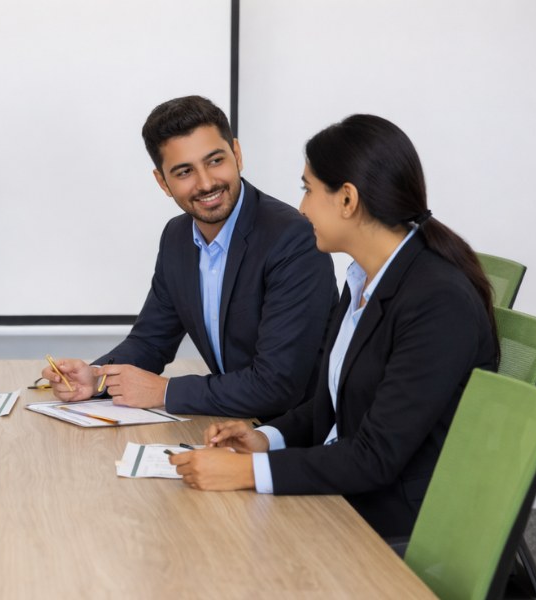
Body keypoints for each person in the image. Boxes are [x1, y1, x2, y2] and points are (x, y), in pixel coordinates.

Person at [168, 114, 498, 539]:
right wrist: (264, 438)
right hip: (347, 491)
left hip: (397, 522)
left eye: (308, 189)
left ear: (347, 199)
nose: (302, 207)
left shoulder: (437, 300)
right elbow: (332, 403)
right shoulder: (363, 279)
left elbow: (375, 456)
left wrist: (249, 470)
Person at [42, 96, 338, 420]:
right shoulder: (176, 238)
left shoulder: (292, 238)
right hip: (231, 425)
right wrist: (97, 377)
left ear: (237, 154)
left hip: (303, 439)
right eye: (184, 171)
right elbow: (151, 342)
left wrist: (163, 391)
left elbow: (277, 385)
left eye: (215, 161)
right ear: (163, 182)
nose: (206, 182)